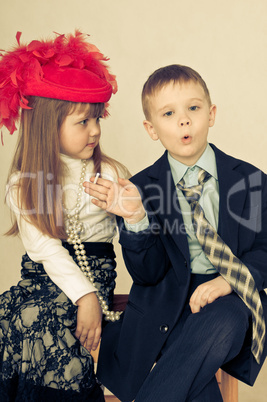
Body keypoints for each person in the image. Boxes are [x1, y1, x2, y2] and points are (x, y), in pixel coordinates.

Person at [84, 64, 267, 401]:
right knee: (198, 391)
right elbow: (147, 274)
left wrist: (230, 279)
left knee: (225, 315)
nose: (184, 120)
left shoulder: (251, 180)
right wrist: (137, 217)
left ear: (211, 115)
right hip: (166, 308)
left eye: (193, 109)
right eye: (169, 113)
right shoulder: (140, 189)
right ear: (151, 129)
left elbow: (266, 248)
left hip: (230, 301)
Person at [0, 31, 130, 401]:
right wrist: (83, 296)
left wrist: (129, 210)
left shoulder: (111, 173)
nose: (96, 131)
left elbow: (139, 238)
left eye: (97, 119)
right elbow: (44, 249)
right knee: (16, 316)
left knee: (48, 321)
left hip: (94, 272)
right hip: (44, 274)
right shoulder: (24, 182)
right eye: (82, 123)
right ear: (47, 127)